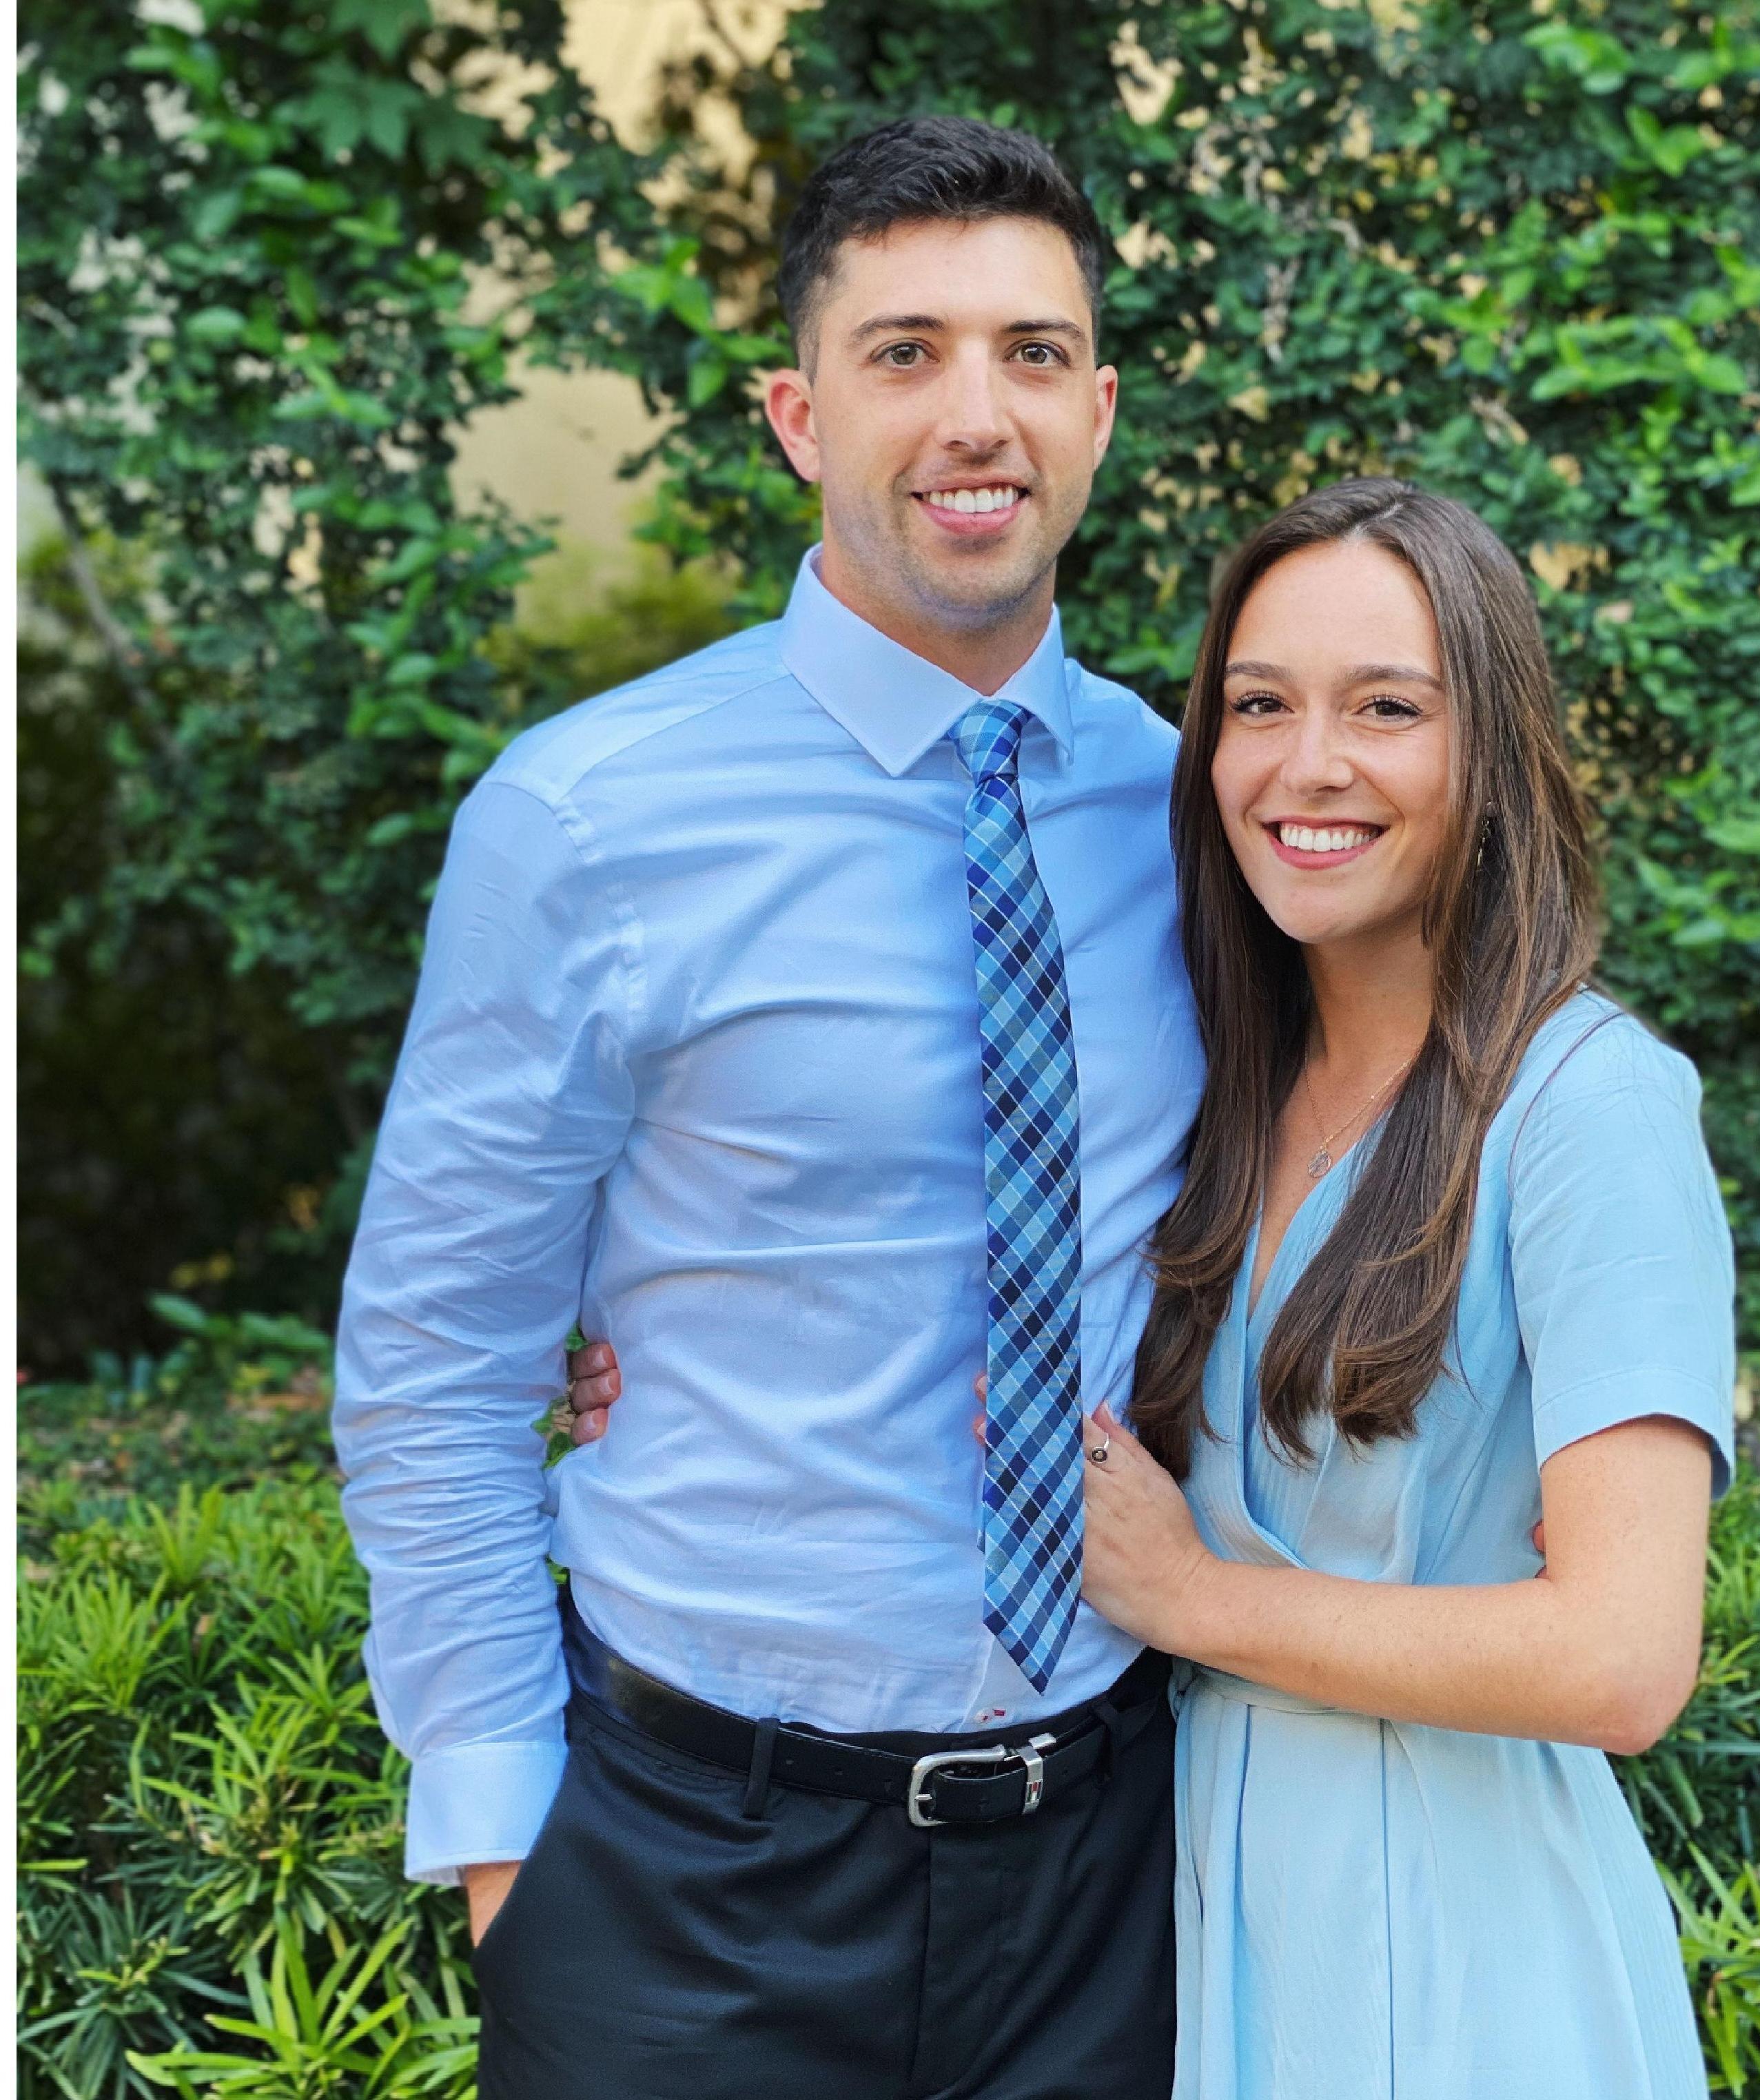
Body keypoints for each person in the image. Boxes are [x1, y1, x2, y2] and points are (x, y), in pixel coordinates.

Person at [574, 477, 1735, 2099]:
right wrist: (641, 1334)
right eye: (1257, 705)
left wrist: (1188, 1597)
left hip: (1455, 1943)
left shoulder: (1589, 1107)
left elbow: (1622, 1660)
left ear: (1493, 751)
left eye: (1385, 707)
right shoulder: (1224, 1077)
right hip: (1186, 1909)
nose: (1307, 764)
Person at [333, 116, 1204, 2098]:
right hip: (689, 1884)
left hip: (1108, 1870)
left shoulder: (1194, 814)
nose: (976, 415)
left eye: (1033, 353)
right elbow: (438, 1358)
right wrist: (511, 1864)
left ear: (1097, 413)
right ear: (799, 417)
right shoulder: (585, 820)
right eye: (905, 352)